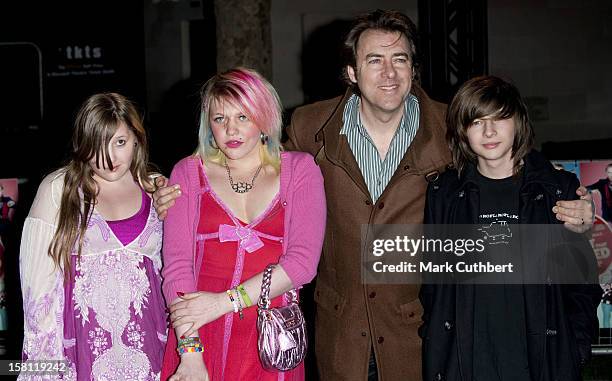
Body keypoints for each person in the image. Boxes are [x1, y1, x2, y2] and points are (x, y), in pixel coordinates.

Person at [153, 10, 594, 380]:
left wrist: (571, 197)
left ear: (413, 69)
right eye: (375, 60)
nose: (389, 73)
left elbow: (509, 159)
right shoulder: (311, 128)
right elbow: (257, 165)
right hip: (339, 335)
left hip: (419, 334)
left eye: (400, 60)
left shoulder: (448, 127)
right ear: (351, 72)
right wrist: (168, 193)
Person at [420, 76, 601, 381]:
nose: (489, 131)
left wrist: (575, 348)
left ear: (518, 122)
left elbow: (582, 282)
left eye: (499, 119)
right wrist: (437, 342)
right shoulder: (445, 193)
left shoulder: (556, 189)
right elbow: (433, 283)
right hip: (466, 359)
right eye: (477, 121)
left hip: (539, 358)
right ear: (463, 130)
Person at [160, 67, 325, 381]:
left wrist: (222, 303)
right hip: (198, 337)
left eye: (242, 117)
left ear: (264, 117)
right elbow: (177, 269)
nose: (230, 130)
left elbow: (302, 264)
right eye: (220, 119)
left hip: (270, 339)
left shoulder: (300, 170)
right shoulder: (188, 173)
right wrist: (191, 353)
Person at [19, 93, 167, 380]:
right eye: (97, 145)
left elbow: (171, 275)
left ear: (137, 138)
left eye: (120, 142)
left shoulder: (155, 187)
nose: (109, 157)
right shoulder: (58, 189)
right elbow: (37, 296)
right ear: (81, 145)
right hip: (79, 354)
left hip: (150, 351)